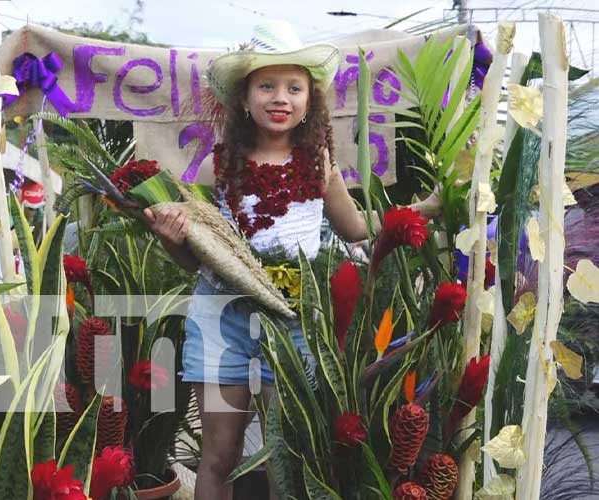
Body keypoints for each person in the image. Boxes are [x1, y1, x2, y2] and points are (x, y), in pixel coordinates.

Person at [142, 20, 440, 500]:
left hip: (296, 323)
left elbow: (357, 229)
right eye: (266, 85)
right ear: (244, 99)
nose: (280, 97)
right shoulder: (221, 165)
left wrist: (425, 209)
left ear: (309, 101)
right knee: (218, 457)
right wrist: (169, 237)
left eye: (293, 87)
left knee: (290, 455)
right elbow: (196, 262)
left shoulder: (318, 163)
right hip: (220, 322)